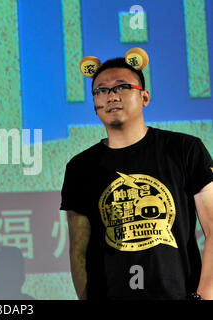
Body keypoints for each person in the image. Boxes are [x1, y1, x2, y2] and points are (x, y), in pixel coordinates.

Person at [60, 52, 213, 300]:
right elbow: (79, 251)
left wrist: (204, 295)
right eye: (101, 90)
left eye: (122, 86)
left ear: (144, 96)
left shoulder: (184, 149)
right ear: (94, 104)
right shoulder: (80, 167)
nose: (112, 95)